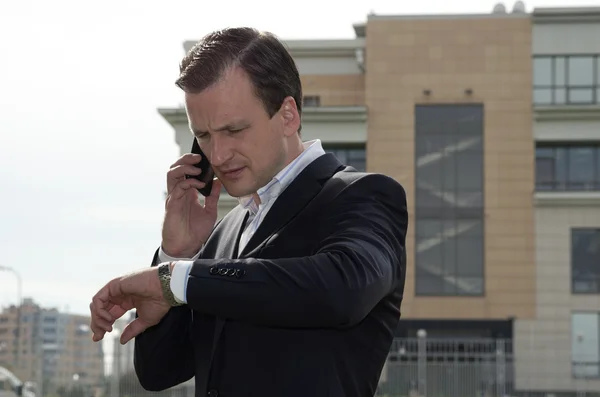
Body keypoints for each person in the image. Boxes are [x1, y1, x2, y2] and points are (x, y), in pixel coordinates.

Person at [89, 26, 408, 397]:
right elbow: (159, 371)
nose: (218, 155)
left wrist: (174, 278)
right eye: (204, 136)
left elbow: (341, 289)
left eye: (234, 129)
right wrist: (176, 252)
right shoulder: (224, 233)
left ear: (288, 115)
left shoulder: (363, 196)